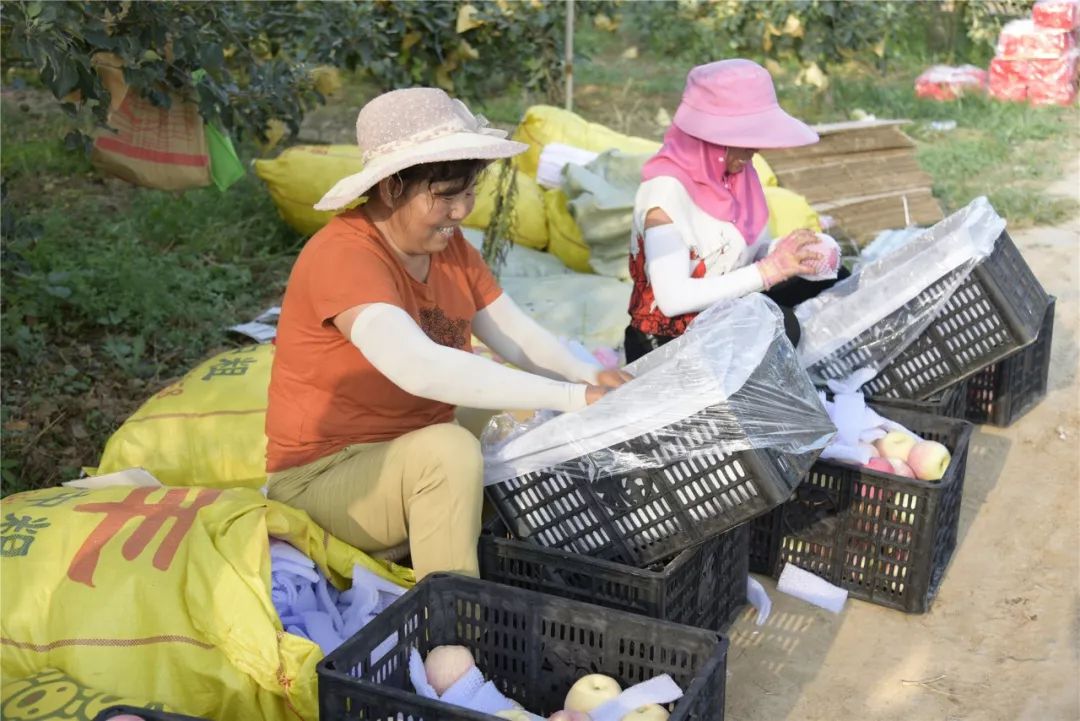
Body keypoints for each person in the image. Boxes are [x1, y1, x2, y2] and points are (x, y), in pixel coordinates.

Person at [265, 88, 630, 581]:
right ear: (392, 187)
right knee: (451, 450)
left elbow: (515, 333)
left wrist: (588, 376)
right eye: (446, 195)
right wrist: (570, 396)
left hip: (405, 450)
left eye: (469, 192)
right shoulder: (343, 256)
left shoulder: (449, 249)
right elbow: (419, 367)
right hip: (327, 480)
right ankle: (453, 623)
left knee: (509, 412)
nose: (462, 212)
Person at [624, 59, 846, 363]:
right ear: (710, 138)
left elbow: (740, 256)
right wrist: (769, 270)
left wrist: (789, 253)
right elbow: (672, 298)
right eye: (744, 139)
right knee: (782, 325)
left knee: (832, 279)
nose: (754, 150)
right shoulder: (665, 193)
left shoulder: (737, 176)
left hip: (722, 309)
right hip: (669, 340)